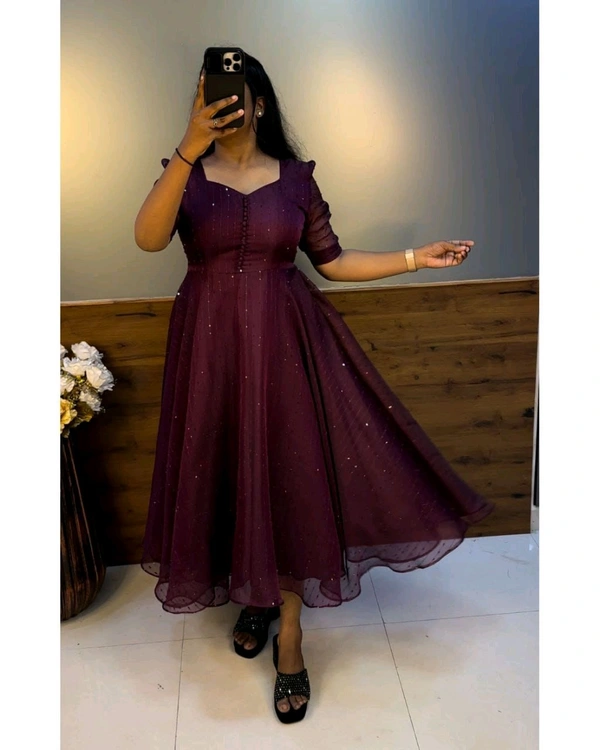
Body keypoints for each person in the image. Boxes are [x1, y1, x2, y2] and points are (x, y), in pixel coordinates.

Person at [134, 50, 494, 724]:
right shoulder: (185, 174)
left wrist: (416, 257)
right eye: (207, 95)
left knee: (289, 480)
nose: (221, 104)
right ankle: (256, 597)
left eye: (233, 94)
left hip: (287, 352)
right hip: (211, 356)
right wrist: (187, 146)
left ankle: (291, 634)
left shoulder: (296, 179)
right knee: (229, 472)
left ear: (260, 103)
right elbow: (148, 239)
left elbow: (333, 260)